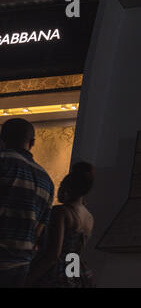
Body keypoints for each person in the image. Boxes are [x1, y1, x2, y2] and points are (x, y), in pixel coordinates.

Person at [0, 118, 54, 287]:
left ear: (2, 138)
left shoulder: (3, 161)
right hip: (20, 267)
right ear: (32, 142)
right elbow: (39, 232)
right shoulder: (47, 180)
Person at [25, 162, 95, 287]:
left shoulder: (61, 212)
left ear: (67, 188)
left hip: (55, 274)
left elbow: (52, 254)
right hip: (76, 271)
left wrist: (28, 280)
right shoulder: (89, 218)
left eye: (61, 185)